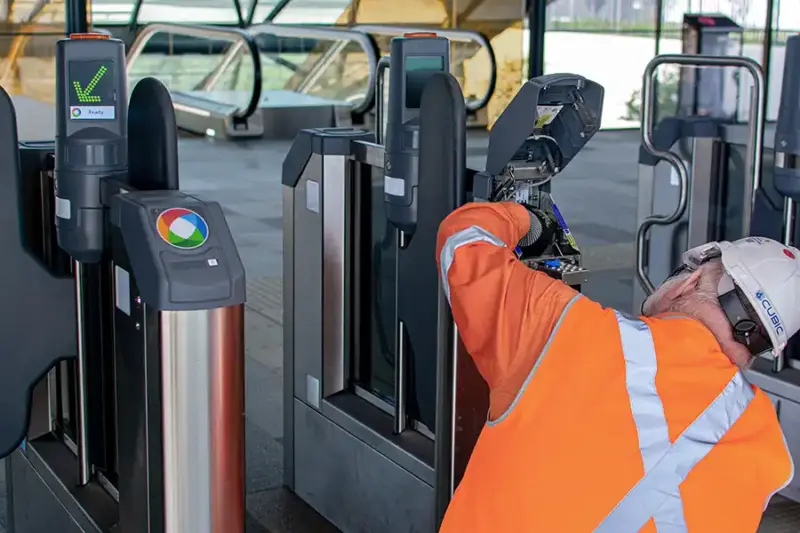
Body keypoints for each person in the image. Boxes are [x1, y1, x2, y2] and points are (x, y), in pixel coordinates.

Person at [436, 201, 796, 533]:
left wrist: (528, 220)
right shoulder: (767, 450)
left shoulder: (563, 330)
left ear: (689, 281)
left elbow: (464, 241)